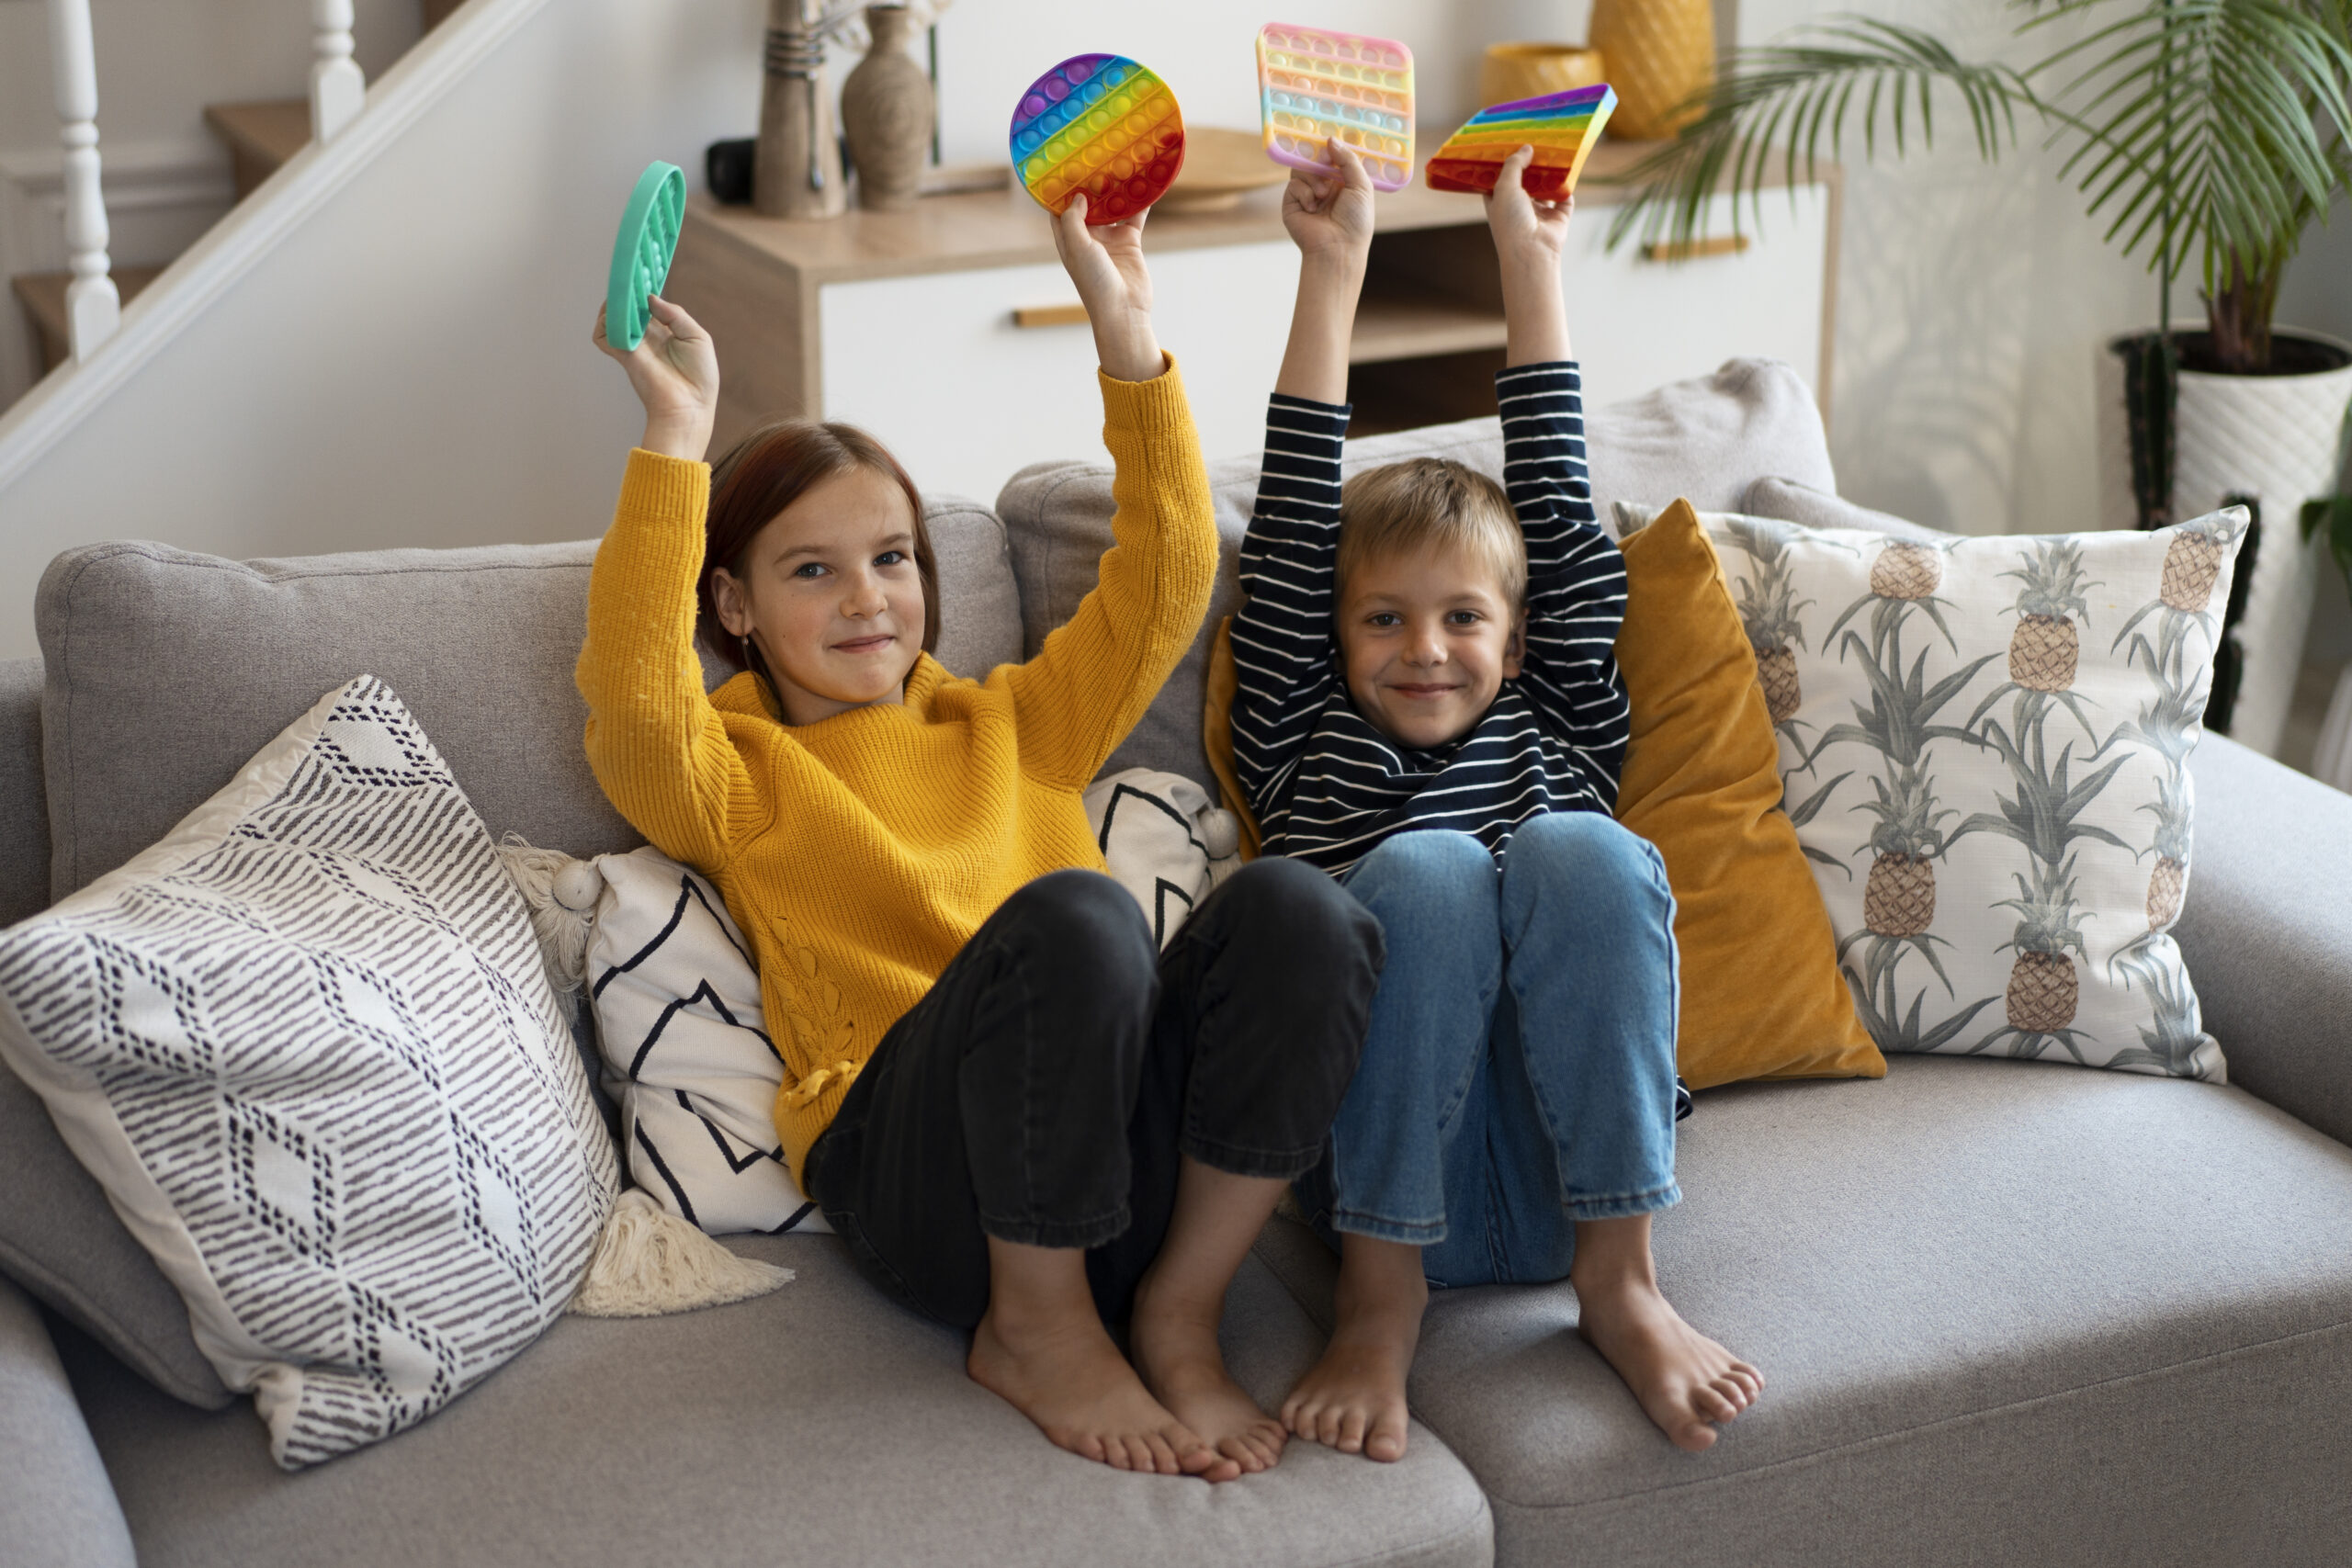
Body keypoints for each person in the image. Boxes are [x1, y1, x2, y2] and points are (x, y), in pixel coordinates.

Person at [580, 192, 1383, 1483]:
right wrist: (677, 434)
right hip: (929, 1191)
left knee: (1304, 911)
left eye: (892, 558)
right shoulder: (735, 773)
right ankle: (1038, 1328)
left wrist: (1126, 334)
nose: (867, 598)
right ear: (730, 602)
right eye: (810, 570)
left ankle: (1177, 1307)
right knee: (1079, 918)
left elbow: (1172, 571)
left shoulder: (1018, 724)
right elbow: (628, 692)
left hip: (1120, 1171)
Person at [1226, 142, 1762, 1464]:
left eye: (1464, 618)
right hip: (1382, 1187)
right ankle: (1378, 1308)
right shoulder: (1300, 738)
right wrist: (1334, 268)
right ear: (1333, 641)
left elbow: (1563, 514)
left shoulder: (1559, 717)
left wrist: (1527, 258)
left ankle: (1624, 1284)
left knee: (1582, 850)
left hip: (1570, 1174)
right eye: (1386, 620)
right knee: (1423, 874)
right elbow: (1294, 520)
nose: (1425, 648)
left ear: (1517, 645)